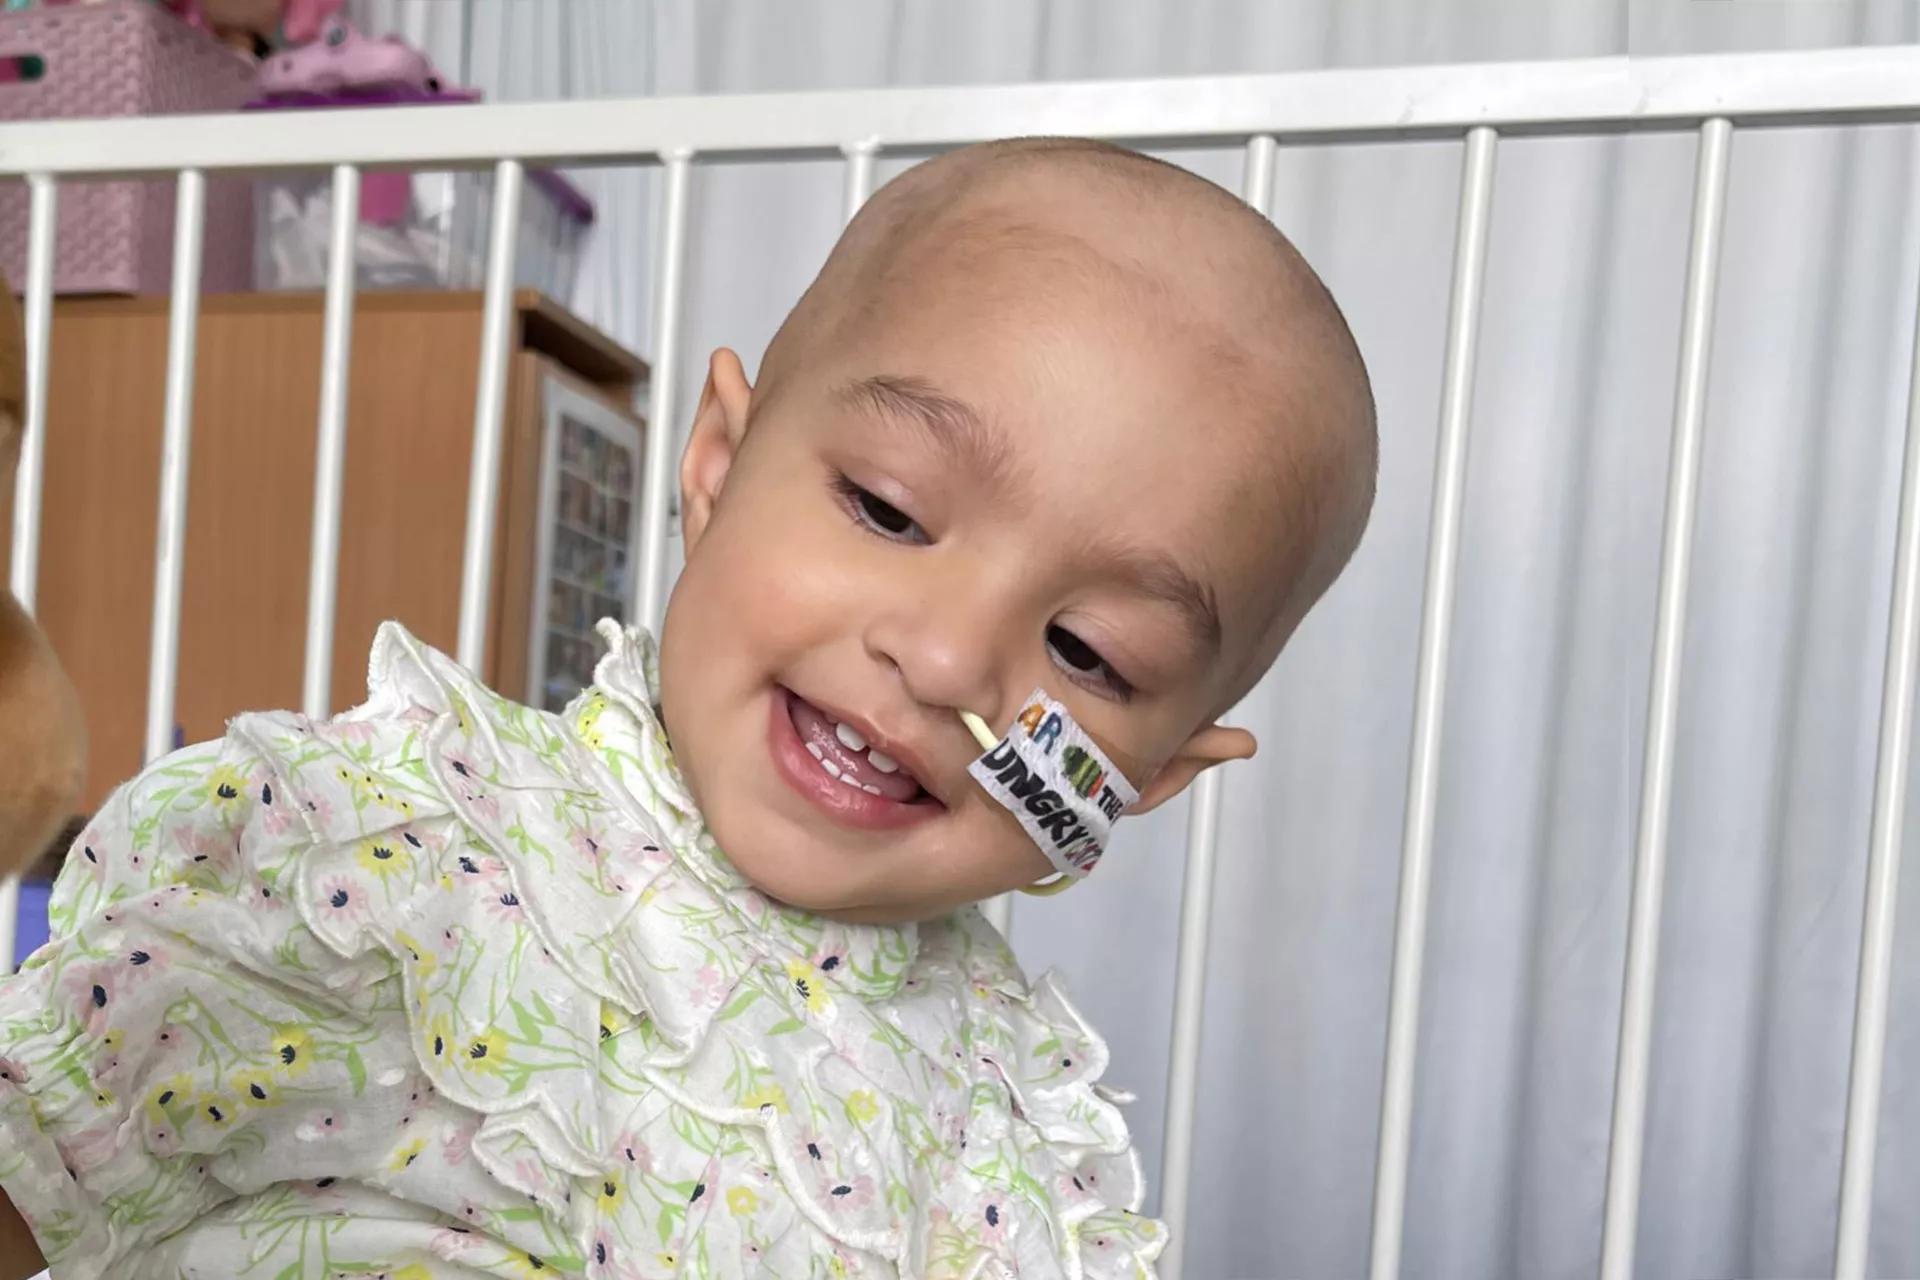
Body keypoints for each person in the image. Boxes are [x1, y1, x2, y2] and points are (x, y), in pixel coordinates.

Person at [0, 136, 1375, 1279]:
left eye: (1089, 651)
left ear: (1144, 780)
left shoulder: (1013, 1129)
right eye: (889, 511)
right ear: (716, 465)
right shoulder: (410, 865)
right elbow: (38, 1150)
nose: (950, 661)